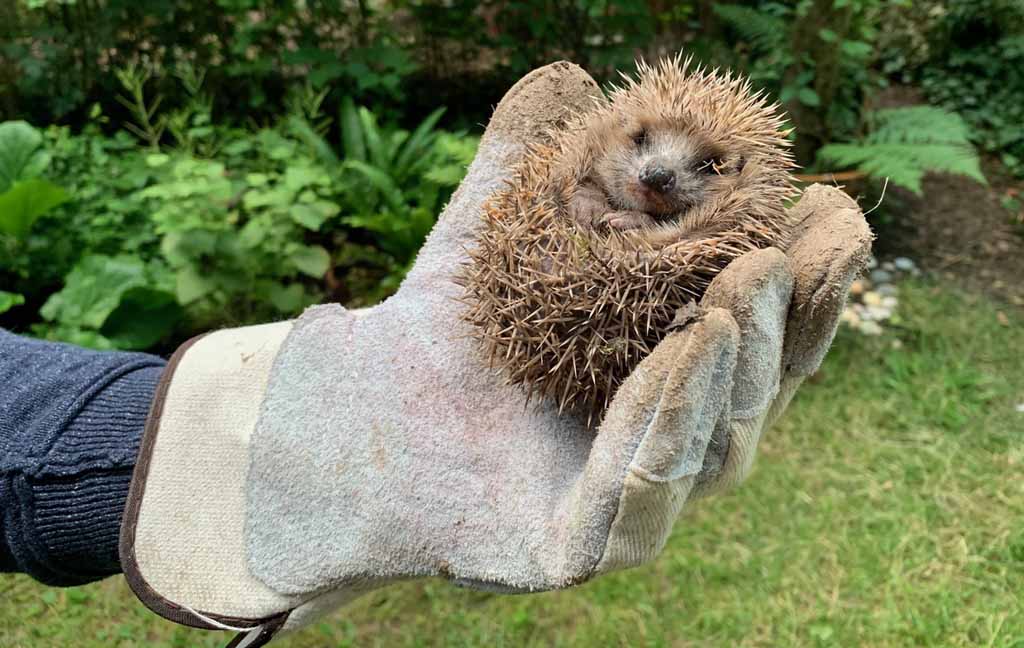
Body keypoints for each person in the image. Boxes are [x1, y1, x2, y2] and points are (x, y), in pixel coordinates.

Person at [0, 62, 870, 647]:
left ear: (742, 186)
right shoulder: (562, 188)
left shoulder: (730, 225)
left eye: (701, 168)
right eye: (642, 144)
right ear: (616, 131)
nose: (655, 175)